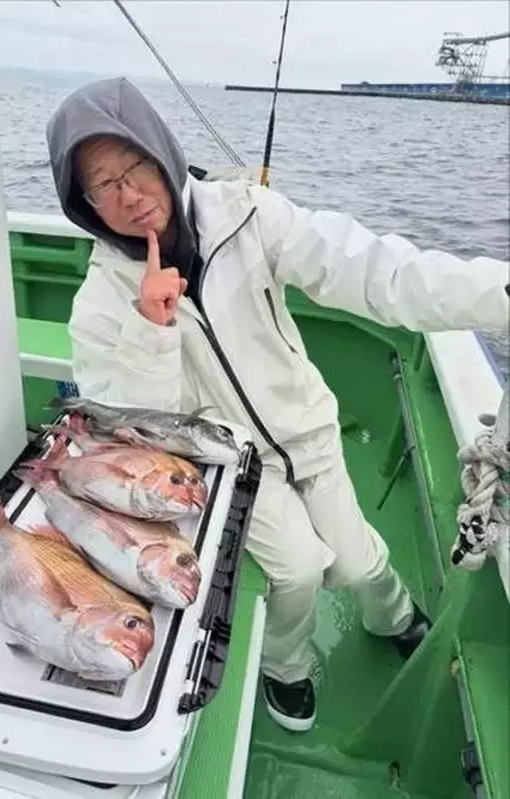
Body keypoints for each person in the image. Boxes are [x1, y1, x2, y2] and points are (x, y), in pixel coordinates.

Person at [46, 77, 509, 733]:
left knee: (357, 558)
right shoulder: (98, 305)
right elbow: (137, 435)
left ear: (161, 152)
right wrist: (152, 328)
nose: (129, 196)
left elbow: (375, 270)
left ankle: (394, 613)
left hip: (309, 432)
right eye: (103, 185)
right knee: (296, 573)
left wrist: (499, 294)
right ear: (83, 202)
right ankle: (284, 666)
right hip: (232, 465)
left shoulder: (249, 215)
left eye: (136, 168)